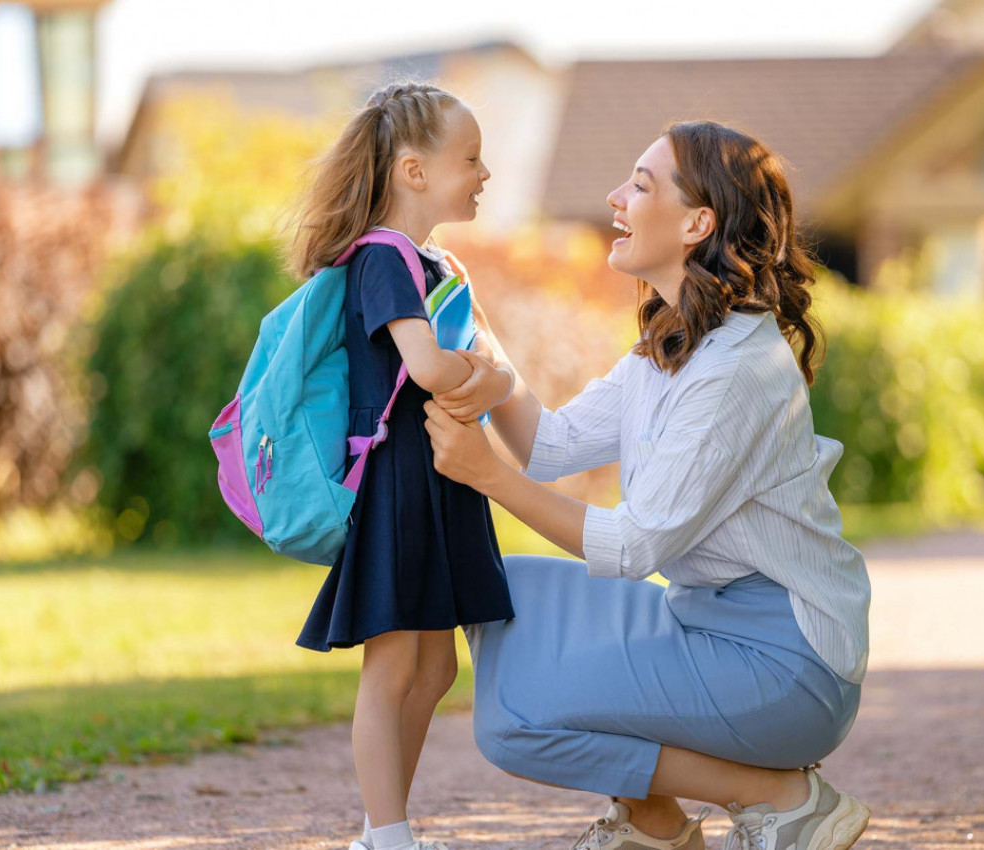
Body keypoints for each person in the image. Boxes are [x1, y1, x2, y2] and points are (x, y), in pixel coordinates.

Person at [423, 121, 873, 850]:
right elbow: (549, 446)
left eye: (639, 184)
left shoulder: (735, 370)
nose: (614, 198)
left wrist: (484, 475)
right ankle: (654, 824)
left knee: (515, 725)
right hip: (707, 623)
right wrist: (472, 326)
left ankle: (780, 798)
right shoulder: (673, 343)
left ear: (698, 224)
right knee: (498, 590)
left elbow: (631, 547)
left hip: (787, 669)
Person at [286, 82, 517, 850]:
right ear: (414, 171)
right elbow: (425, 365)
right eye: (471, 158)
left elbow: (464, 363)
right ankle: (387, 837)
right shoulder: (381, 256)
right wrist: (487, 378)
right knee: (392, 667)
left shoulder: (431, 260)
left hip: (437, 476)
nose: (484, 173)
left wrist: (484, 376)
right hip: (397, 482)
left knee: (435, 668)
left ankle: (379, 829)